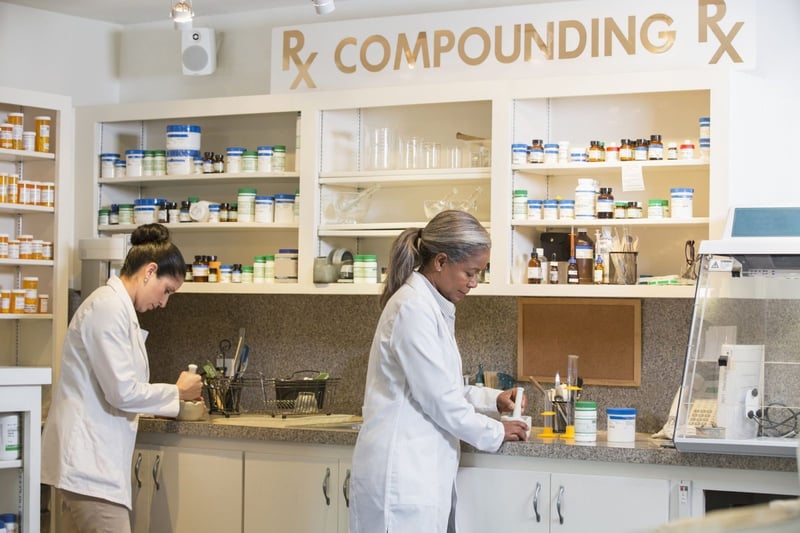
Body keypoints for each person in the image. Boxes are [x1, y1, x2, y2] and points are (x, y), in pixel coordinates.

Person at [349, 210, 529, 533]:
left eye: (480, 274)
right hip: (401, 480)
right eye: (470, 273)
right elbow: (441, 402)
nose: (474, 283)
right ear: (441, 262)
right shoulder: (412, 309)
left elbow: (441, 387)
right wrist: (497, 432)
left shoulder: (431, 306)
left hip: (421, 479)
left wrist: (493, 400)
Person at [41, 223, 203, 533]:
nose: (164, 302)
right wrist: (177, 392)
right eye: (167, 290)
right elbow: (122, 392)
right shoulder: (107, 307)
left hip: (91, 465)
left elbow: (114, 388)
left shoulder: (117, 309)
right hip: (89, 467)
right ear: (149, 271)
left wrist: (157, 402)